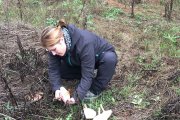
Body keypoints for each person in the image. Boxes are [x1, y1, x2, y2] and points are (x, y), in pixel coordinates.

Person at [40, 19, 117, 104]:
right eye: (50, 51)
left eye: (54, 49)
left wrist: (76, 97)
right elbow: (53, 69)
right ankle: (85, 76)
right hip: (78, 61)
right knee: (61, 72)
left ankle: (95, 89)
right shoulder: (54, 47)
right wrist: (57, 88)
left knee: (109, 59)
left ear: (61, 40)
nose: (53, 53)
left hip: (98, 58)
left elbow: (87, 76)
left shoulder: (84, 43)